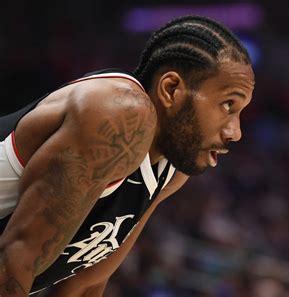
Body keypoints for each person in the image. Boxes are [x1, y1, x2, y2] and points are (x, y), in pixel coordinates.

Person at [0, 15, 255, 296]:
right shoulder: (119, 111)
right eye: (228, 105)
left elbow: (85, 284)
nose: (236, 132)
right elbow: (14, 258)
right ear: (171, 89)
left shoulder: (170, 169)